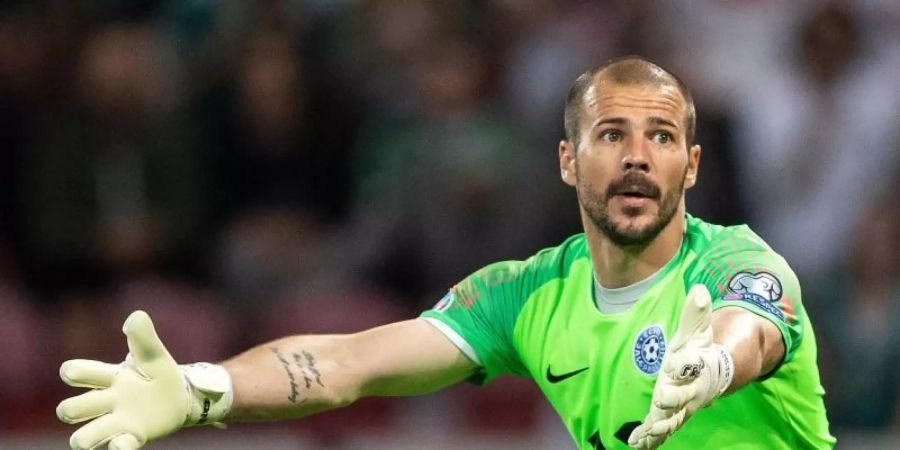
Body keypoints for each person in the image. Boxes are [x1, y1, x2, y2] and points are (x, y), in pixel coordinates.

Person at [55, 56, 835, 450]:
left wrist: (714, 367)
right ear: (568, 159)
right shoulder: (527, 296)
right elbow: (350, 363)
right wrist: (205, 386)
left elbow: (752, 323)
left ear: (690, 167)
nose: (637, 157)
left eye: (661, 138)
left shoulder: (736, 261)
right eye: (611, 135)